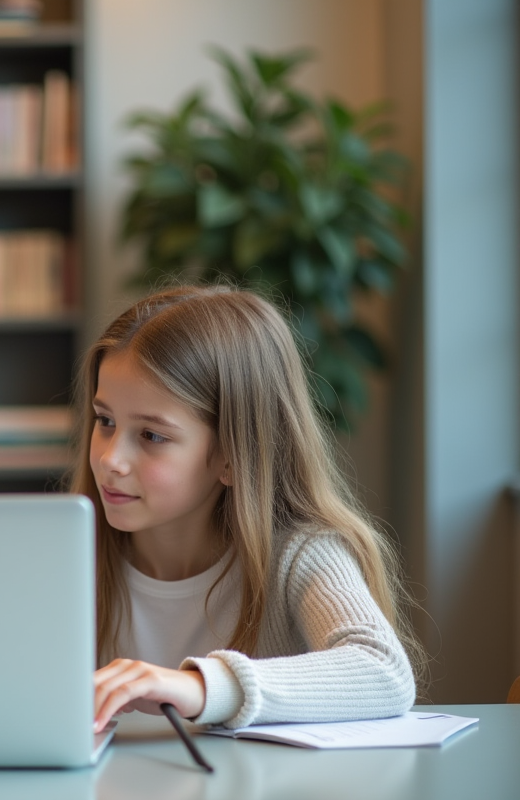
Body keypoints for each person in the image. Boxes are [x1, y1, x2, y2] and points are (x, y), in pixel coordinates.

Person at [80, 285, 420, 731]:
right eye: (105, 421)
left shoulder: (300, 554)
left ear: (232, 456)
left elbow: (384, 673)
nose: (111, 460)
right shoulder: (68, 556)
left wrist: (203, 687)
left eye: (152, 436)